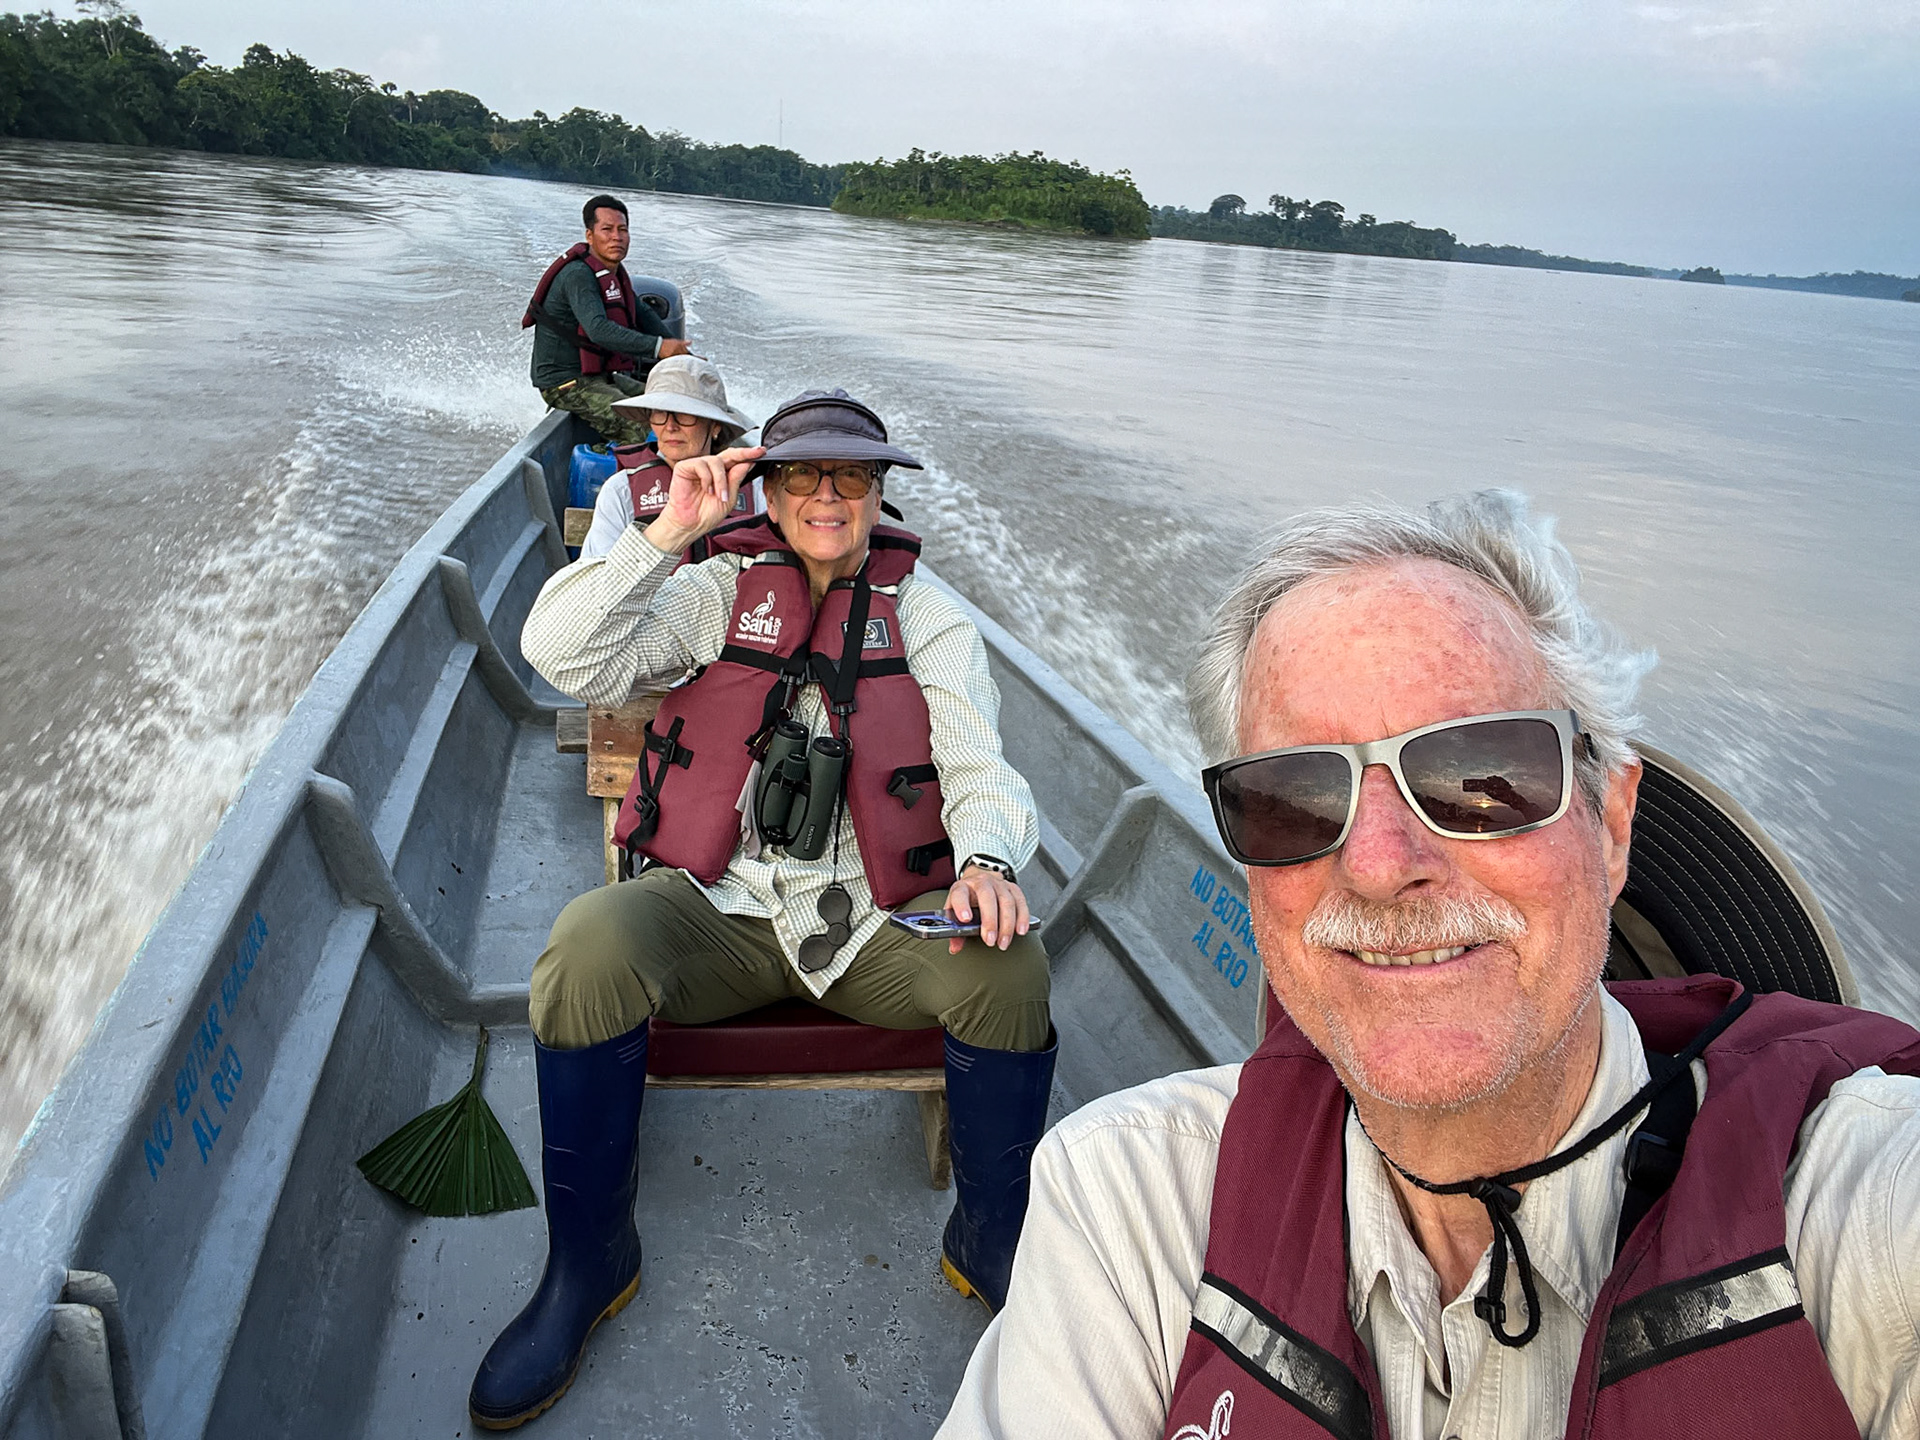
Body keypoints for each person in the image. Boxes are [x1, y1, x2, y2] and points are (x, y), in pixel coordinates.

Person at [938, 490, 1920, 1440]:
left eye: (1479, 779)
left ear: (1611, 824)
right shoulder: (1134, 1205)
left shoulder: (1854, 1225)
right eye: (1295, 799)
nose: (1375, 867)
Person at [469, 389, 1056, 1431]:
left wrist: (987, 861)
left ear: (878, 492)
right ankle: (589, 1264)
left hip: (874, 925)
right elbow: (558, 656)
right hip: (721, 913)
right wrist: (667, 532)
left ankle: (989, 1240)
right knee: (586, 947)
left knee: (1008, 967)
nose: (827, 496)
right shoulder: (715, 591)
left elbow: (977, 759)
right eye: (801, 475)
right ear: (767, 489)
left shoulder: (927, 613)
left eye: (851, 476)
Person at [524, 194, 691, 446]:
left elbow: (643, 314)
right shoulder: (578, 275)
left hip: (600, 377)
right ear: (589, 235)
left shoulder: (613, 274)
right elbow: (599, 330)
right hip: (566, 383)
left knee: (676, 402)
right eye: (607, 229)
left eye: (622, 229)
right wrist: (660, 347)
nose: (617, 237)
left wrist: (682, 354)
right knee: (648, 429)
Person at [578, 354, 756, 559]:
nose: (670, 426)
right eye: (660, 413)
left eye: (686, 414)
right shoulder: (620, 490)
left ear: (715, 425)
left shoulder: (754, 486)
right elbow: (597, 581)